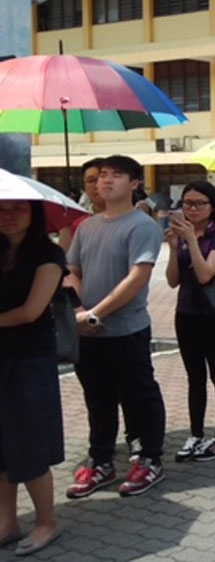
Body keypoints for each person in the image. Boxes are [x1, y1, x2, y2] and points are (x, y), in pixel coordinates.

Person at [65, 155, 167, 498]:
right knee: (98, 398)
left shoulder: (142, 226)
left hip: (127, 330)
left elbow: (138, 276)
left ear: (135, 183)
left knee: (139, 396)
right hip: (88, 332)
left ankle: (150, 458)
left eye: (116, 175)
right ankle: (101, 460)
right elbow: (72, 270)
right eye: (102, 175)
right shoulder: (88, 226)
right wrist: (81, 310)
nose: (106, 181)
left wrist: (97, 313)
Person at [0, 200, 65, 555]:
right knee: (0, 448)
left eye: (17, 209)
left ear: (33, 214)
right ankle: (7, 522)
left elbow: (30, 312)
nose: (8, 216)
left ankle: (46, 523)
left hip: (29, 361)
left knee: (29, 445)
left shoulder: (49, 258)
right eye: (0, 210)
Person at [165, 181, 215, 459]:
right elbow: (173, 281)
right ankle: (196, 434)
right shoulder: (182, 235)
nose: (192, 209)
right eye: (187, 204)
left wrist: (193, 241)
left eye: (199, 204)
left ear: (212, 207)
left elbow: (206, 273)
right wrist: (174, 248)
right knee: (195, 376)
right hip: (186, 313)